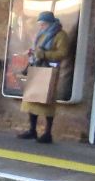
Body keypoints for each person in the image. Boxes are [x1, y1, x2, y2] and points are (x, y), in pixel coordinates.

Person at [18, 10, 71, 143]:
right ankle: (32, 130)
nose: (41, 27)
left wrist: (44, 54)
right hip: (37, 68)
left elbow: (62, 53)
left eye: (43, 24)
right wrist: (34, 52)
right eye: (40, 24)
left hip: (49, 70)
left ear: (50, 23)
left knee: (47, 101)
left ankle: (48, 133)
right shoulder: (42, 34)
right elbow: (38, 49)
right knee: (32, 98)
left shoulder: (60, 35)